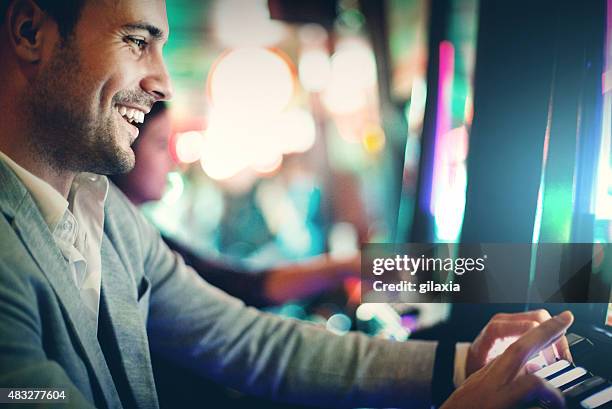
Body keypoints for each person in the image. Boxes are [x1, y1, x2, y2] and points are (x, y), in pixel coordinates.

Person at [0, 1, 573, 408]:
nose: (164, 83)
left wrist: (462, 363)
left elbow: (248, 339)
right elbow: (256, 285)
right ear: (29, 32)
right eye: (136, 40)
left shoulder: (103, 214)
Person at [110, 101, 360, 308]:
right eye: (162, 145)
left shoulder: (138, 233)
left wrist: (358, 266)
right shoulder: (125, 240)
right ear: (124, 144)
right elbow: (238, 288)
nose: (173, 163)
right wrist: (361, 267)